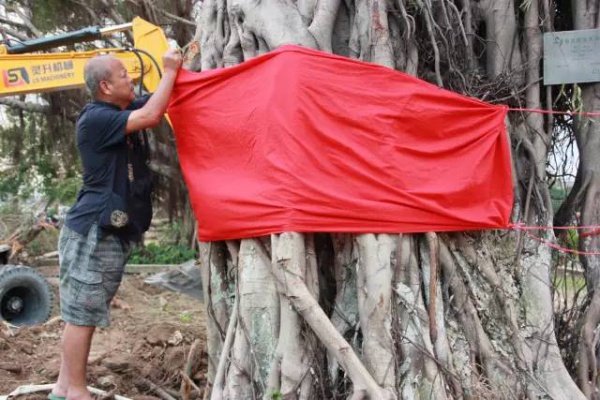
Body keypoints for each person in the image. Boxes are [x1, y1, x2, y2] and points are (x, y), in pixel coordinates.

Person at [49, 48, 182, 400]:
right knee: (80, 313)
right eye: (125, 75)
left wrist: (185, 72)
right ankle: (77, 392)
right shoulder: (96, 118)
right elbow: (154, 114)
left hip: (108, 231)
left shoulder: (122, 111)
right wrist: (168, 69)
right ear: (106, 86)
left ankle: (63, 388)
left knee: (86, 311)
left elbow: (157, 101)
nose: (132, 79)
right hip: (93, 230)